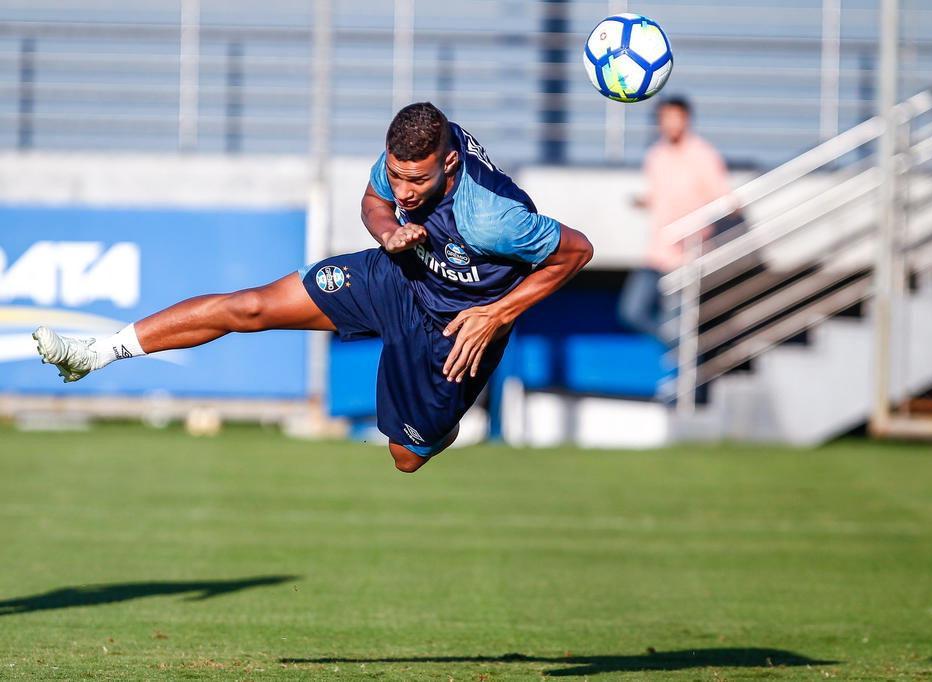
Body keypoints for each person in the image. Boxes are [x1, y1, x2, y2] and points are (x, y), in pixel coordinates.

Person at [32, 102, 593, 473]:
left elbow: (576, 251)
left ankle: (445, 418)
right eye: (397, 174)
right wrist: (390, 232)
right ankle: (97, 352)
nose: (405, 188)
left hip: (459, 322)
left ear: (449, 162)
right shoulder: (407, 157)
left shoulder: (491, 217)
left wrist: (497, 315)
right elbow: (374, 203)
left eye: (417, 180)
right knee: (250, 306)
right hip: (401, 273)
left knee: (405, 456)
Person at [618, 96, 732, 343]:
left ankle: (688, 374)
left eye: (675, 118)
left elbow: (725, 201)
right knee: (632, 311)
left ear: (686, 119)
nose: (670, 124)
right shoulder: (656, 155)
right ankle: (686, 348)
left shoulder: (702, 155)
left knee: (677, 322)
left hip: (686, 257)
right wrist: (644, 201)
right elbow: (661, 194)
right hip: (656, 252)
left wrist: (696, 229)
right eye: (664, 118)